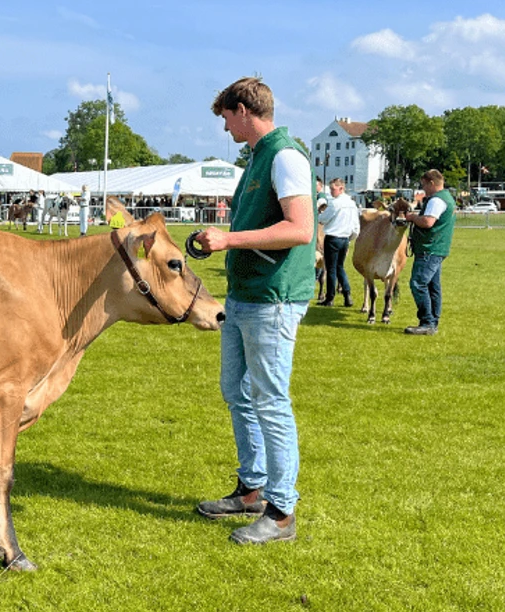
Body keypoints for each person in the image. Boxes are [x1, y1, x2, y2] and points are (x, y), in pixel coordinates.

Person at [191, 77, 315, 545]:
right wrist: (219, 239)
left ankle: (281, 512)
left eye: (225, 118)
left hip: (273, 299)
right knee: (236, 392)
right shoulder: (260, 158)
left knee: (270, 401)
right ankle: (252, 489)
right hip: (245, 295)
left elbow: (300, 229)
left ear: (243, 109)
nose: (225, 128)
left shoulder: (285, 156)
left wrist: (229, 239)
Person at [403, 169, 454, 335]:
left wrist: (411, 217)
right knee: (433, 286)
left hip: (429, 249)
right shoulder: (447, 198)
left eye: (424, 184)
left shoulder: (436, 200)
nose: (423, 188)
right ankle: (433, 322)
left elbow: (427, 222)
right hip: (437, 248)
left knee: (418, 283)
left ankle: (427, 323)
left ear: (431, 183)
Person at [316, 178, 359, 306]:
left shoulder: (335, 203)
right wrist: (350, 238)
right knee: (340, 267)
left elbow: (323, 219)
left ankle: (330, 298)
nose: (331, 191)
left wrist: (319, 214)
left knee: (331, 269)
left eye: (333, 189)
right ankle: (347, 294)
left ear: (341, 188)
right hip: (345, 238)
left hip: (333, 238)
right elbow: (356, 225)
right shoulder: (352, 203)